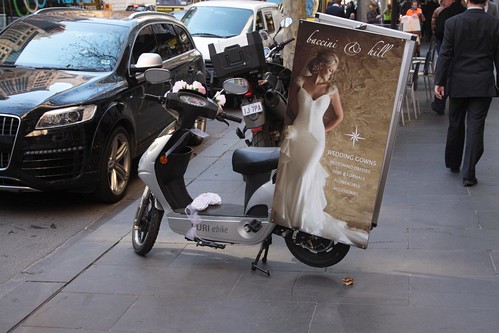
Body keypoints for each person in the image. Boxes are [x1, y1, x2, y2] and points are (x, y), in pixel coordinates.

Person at [272, 49, 368, 247]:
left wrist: (322, 130)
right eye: (330, 69)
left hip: (316, 139)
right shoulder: (300, 82)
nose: (332, 73)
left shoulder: (331, 89)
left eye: (333, 71)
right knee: (292, 174)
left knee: (304, 175)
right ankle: (290, 218)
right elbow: (290, 108)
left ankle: (302, 219)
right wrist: (294, 126)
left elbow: (339, 117)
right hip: (297, 134)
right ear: (321, 65)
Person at [434, 0, 499, 187]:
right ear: (485, 2)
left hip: (458, 82)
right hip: (482, 83)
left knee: (455, 122)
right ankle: (469, 174)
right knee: (476, 127)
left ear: (466, 1)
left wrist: (439, 81)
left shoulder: (452, 22)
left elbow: (445, 54)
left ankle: (454, 162)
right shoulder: (494, 23)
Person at [431, 0, 466, 115]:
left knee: (445, 72)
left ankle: (439, 103)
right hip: (463, 54)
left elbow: (438, 31)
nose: (442, 2)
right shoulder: (464, 12)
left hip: (447, 49)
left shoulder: (445, 13)